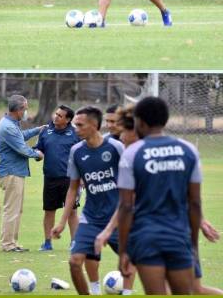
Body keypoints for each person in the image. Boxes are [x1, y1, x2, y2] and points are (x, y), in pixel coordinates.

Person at [117, 97, 202, 294]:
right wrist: (193, 245)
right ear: (165, 119)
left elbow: (126, 207)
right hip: (179, 238)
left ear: (140, 122)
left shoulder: (132, 154)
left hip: (146, 239)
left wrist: (124, 251)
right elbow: (195, 203)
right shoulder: (189, 150)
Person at [51, 106, 128, 295]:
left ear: (94, 125)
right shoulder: (76, 151)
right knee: (75, 262)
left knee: (131, 260)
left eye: (79, 124)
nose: (75, 128)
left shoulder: (116, 148)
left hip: (118, 218)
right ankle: (93, 292)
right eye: (75, 124)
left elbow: (130, 185)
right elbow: (73, 188)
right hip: (91, 218)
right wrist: (61, 222)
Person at [0, 95, 45, 252]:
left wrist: (37, 130)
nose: (26, 111)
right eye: (25, 108)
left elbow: (20, 137)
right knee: (12, 209)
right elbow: (22, 148)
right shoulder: (8, 127)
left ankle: (13, 242)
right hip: (11, 172)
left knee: (17, 209)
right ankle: (8, 244)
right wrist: (37, 154)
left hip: (16, 172)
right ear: (18, 110)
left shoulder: (11, 124)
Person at [34, 105, 80, 251]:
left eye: (60, 116)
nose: (56, 117)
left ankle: (74, 242)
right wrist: (37, 153)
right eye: (56, 114)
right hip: (50, 178)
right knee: (49, 210)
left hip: (70, 180)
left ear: (67, 120)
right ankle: (47, 243)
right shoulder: (46, 131)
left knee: (72, 211)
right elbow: (39, 148)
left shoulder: (75, 133)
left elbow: (81, 155)